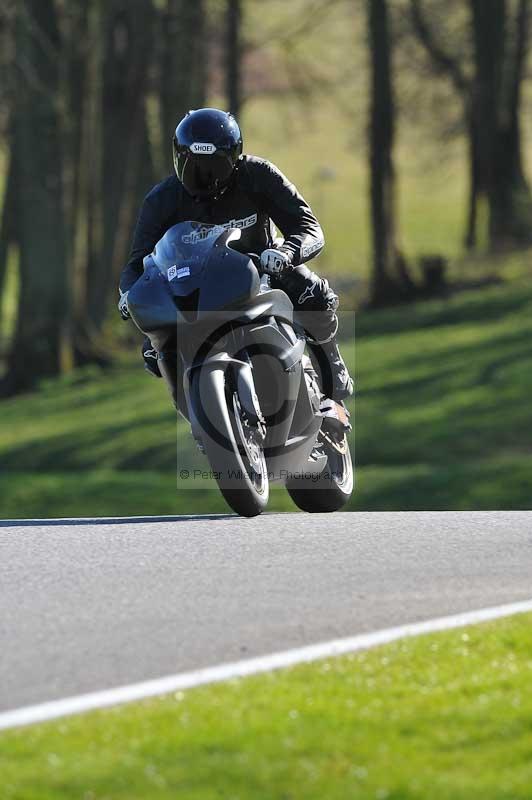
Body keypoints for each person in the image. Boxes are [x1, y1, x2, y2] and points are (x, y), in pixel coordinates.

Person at [118, 107, 353, 405]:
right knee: (154, 352)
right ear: (178, 159)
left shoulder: (259, 175)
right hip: (195, 289)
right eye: (192, 165)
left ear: (234, 158)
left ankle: (331, 366)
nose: (203, 177)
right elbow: (136, 264)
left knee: (312, 293)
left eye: (214, 166)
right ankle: (197, 410)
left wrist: (286, 253)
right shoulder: (161, 200)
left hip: (261, 270)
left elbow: (309, 228)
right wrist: (129, 293)